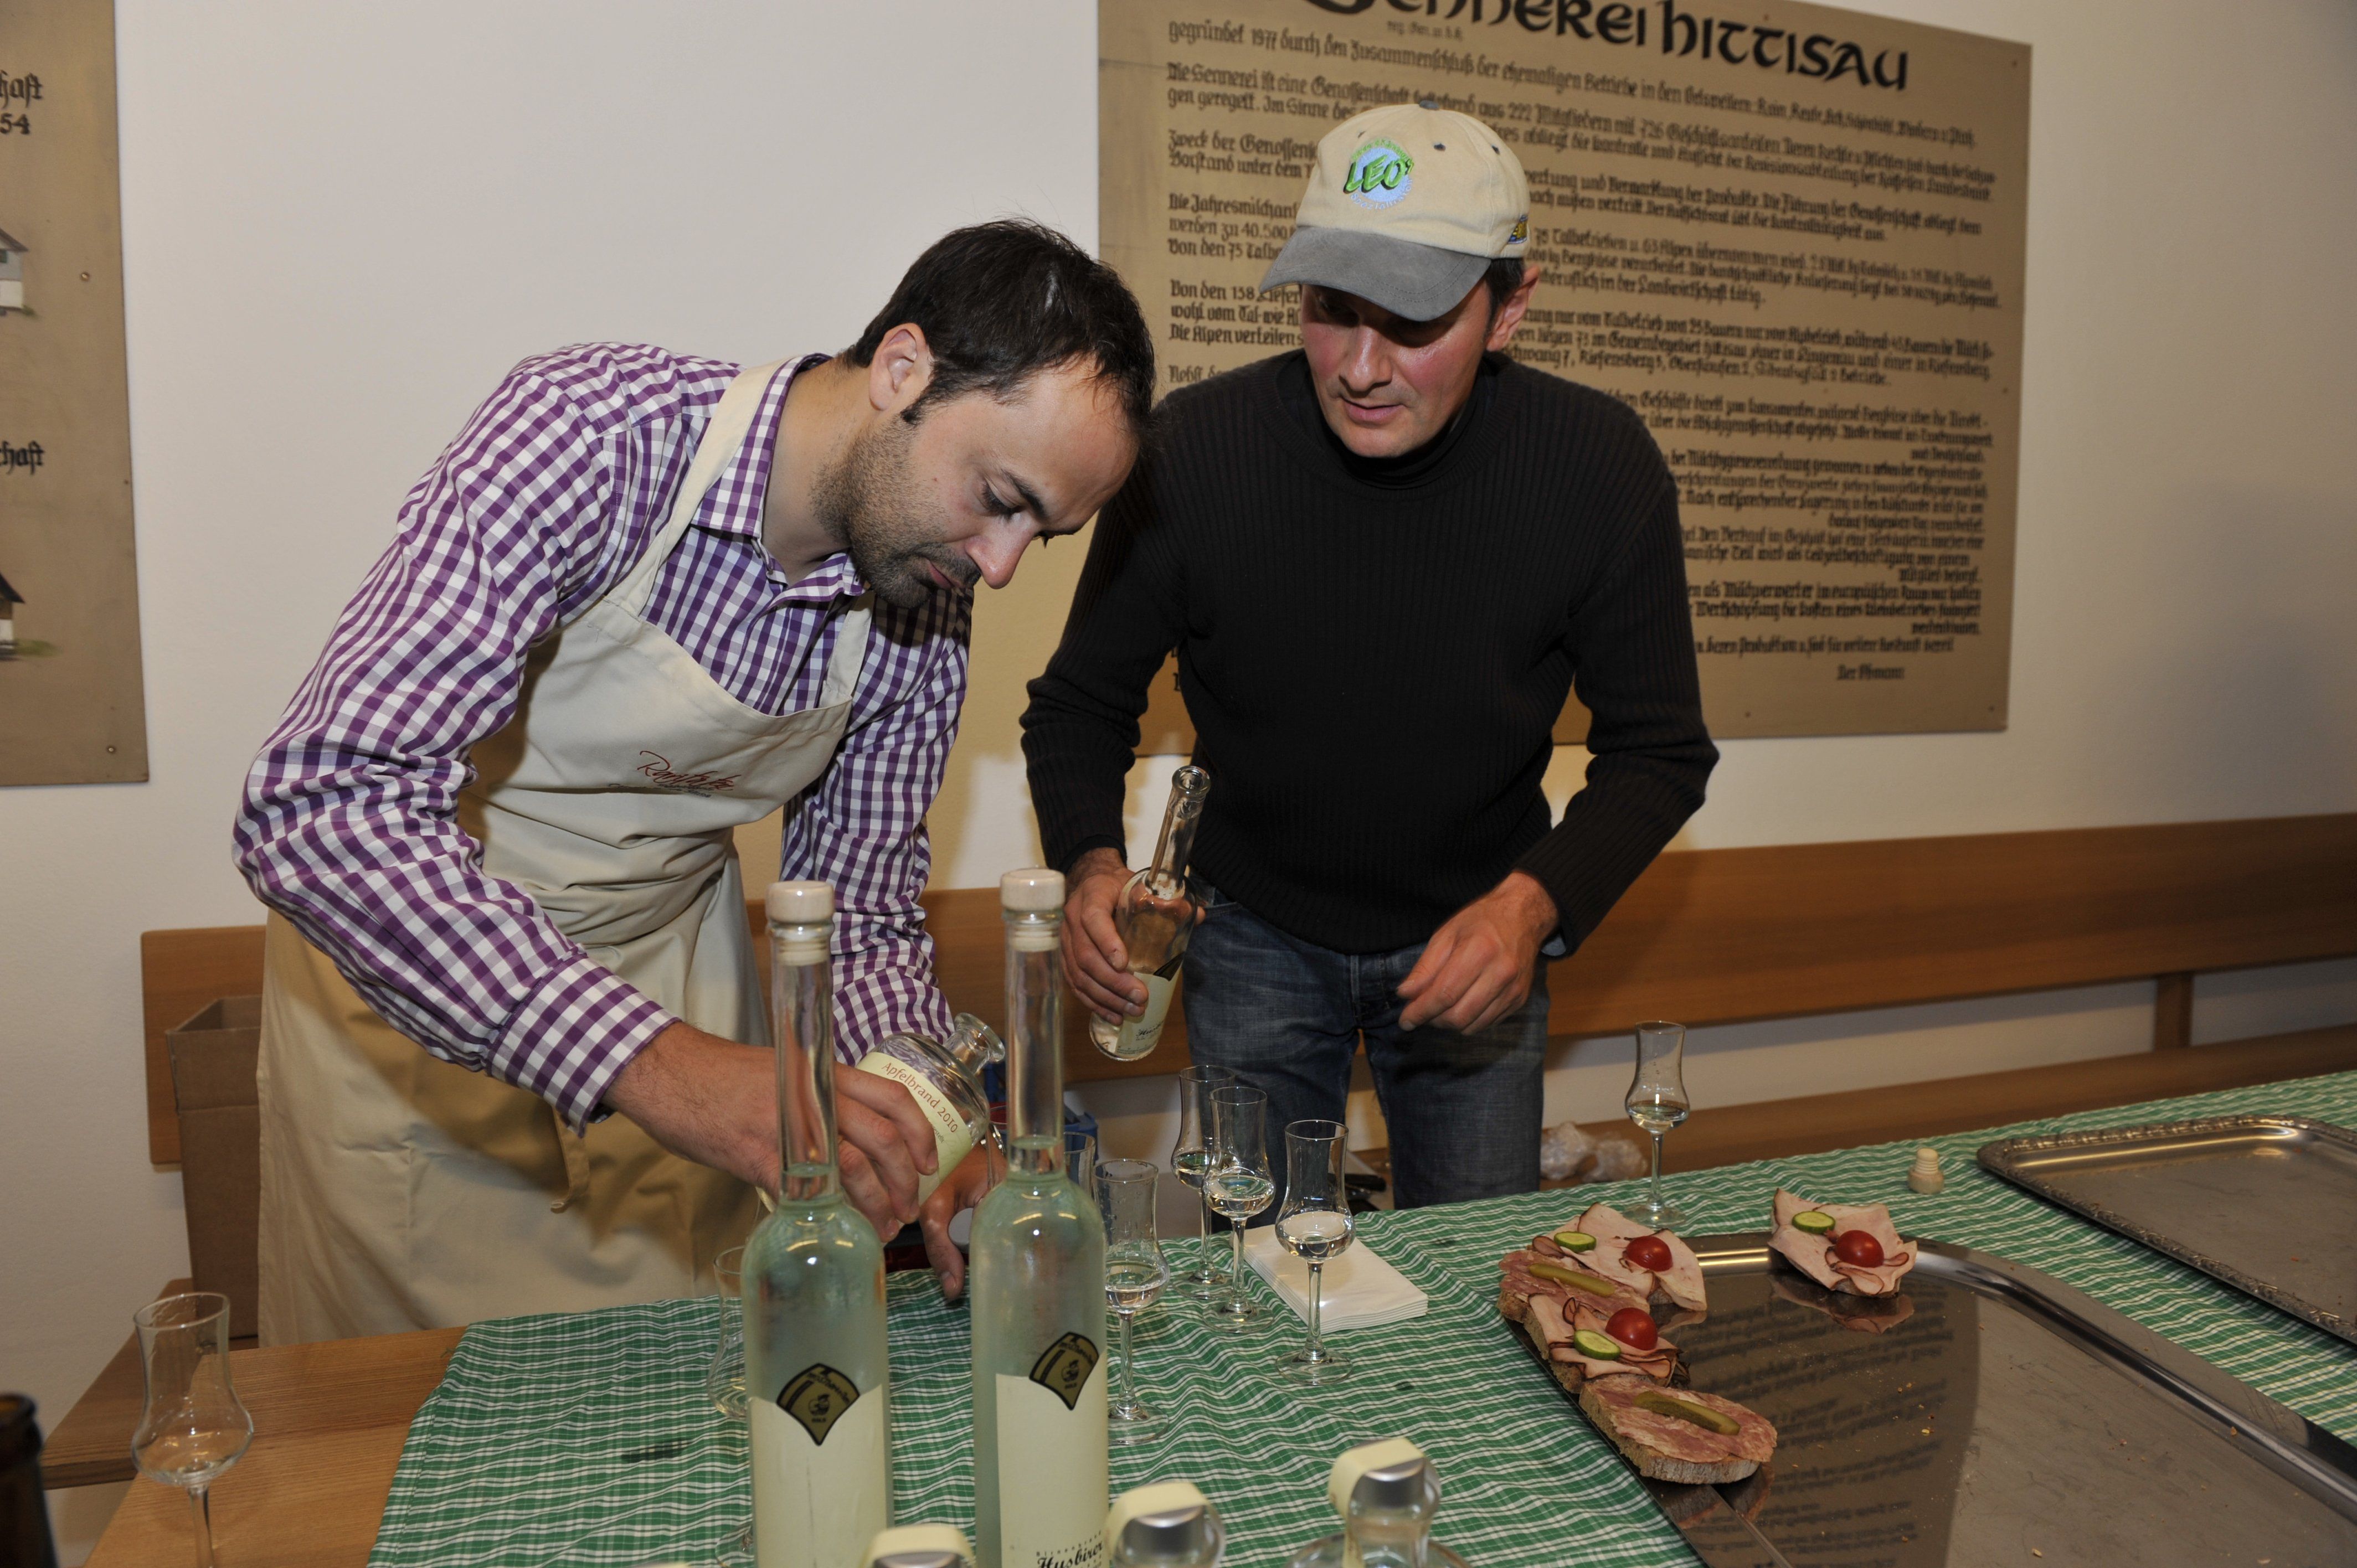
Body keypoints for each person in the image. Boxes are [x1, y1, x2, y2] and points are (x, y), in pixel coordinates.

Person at [235, 220, 1152, 1342]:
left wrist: (923, 1127)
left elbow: (861, 918)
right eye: (1000, 496)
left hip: (687, 1037)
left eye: (1040, 536)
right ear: (904, 369)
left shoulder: (923, 599)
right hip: (421, 1033)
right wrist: (659, 1067)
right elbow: (321, 809)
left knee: (678, 1418)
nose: (999, 567)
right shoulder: (588, 441)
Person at [1022, 105, 1716, 1210]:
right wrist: (1091, 868)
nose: (1360, 367)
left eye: (1412, 323)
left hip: (1476, 924)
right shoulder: (1196, 451)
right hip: (1248, 932)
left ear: (1509, 308)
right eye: (1331, 311)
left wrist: (1532, 907)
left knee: (1475, 1268)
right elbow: (1078, 705)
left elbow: (1661, 753)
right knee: (1261, 1263)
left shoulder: (1597, 467)